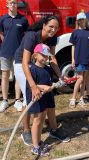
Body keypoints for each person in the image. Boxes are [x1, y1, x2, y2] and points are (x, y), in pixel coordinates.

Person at [14, 15, 70, 146]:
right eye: (51, 26)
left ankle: (54, 130)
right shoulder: (32, 36)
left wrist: (60, 75)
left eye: (56, 28)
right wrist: (33, 86)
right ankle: (26, 131)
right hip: (22, 65)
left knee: (49, 96)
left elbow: (52, 59)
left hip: (39, 65)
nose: (53, 30)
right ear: (44, 25)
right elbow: (24, 62)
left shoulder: (53, 39)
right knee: (30, 99)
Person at [0, 0, 29, 113]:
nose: (13, 5)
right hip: (5, 51)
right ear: (7, 5)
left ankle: (17, 100)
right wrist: (7, 43)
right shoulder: (2, 19)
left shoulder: (23, 20)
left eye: (14, 3)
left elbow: (26, 36)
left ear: (17, 5)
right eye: (10, 3)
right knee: (5, 76)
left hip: (18, 53)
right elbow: (1, 34)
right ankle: (4, 101)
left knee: (18, 77)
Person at [26, 43, 55, 156]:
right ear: (35, 56)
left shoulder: (48, 69)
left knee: (42, 119)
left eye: (47, 56)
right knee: (37, 121)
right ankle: (35, 147)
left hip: (45, 97)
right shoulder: (33, 69)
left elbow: (49, 82)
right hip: (36, 98)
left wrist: (54, 85)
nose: (45, 58)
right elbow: (32, 85)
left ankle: (38, 141)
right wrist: (44, 87)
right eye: (42, 55)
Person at [69, 12, 89, 108]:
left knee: (84, 80)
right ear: (77, 21)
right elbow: (73, 47)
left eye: (83, 19)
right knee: (80, 78)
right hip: (78, 59)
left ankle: (81, 98)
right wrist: (73, 59)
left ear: (85, 20)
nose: (81, 21)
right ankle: (73, 98)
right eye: (80, 20)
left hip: (87, 59)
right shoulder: (75, 32)